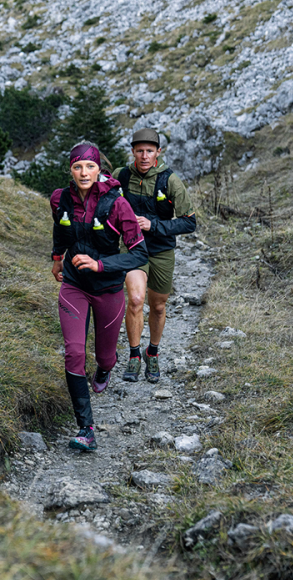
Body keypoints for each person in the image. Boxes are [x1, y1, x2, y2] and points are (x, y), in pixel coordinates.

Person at [51, 142, 148, 451]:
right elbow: (61, 227)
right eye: (77, 167)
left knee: (103, 358)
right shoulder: (60, 198)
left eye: (89, 166)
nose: (83, 172)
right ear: (70, 169)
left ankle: (107, 365)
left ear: (99, 169)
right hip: (74, 285)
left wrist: (100, 264)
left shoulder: (117, 205)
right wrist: (57, 258)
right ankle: (86, 429)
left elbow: (139, 254)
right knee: (74, 353)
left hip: (107, 288)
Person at [117, 128, 196, 383]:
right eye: (139, 150)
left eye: (149, 151)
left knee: (158, 306)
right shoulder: (122, 176)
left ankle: (152, 351)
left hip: (161, 249)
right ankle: (134, 355)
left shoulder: (170, 180)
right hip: (132, 248)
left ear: (158, 152)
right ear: (133, 151)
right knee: (136, 299)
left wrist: (154, 225)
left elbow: (189, 222)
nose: (144, 155)